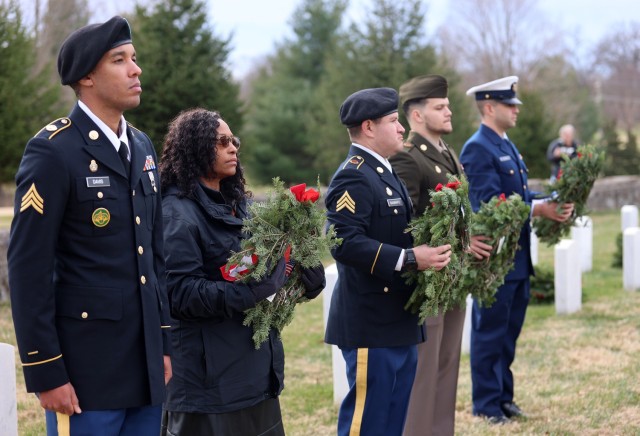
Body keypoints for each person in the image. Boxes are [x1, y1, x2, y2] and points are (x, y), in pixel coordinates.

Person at [7, 16, 171, 435]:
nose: (136, 70)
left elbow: (154, 257)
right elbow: (29, 270)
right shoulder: (53, 151)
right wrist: (46, 370)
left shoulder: (141, 145)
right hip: (84, 375)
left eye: (134, 58)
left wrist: (165, 345)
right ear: (87, 78)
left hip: (146, 370)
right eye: (120, 60)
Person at [159, 108, 326, 435]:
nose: (233, 147)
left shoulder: (241, 206)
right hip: (207, 387)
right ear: (195, 147)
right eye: (221, 142)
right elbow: (179, 294)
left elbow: (267, 271)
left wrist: (304, 276)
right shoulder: (176, 214)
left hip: (254, 374)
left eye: (233, 140)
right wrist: (249, 293)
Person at [324, 87, 453, 435]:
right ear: (369, 127)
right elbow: (343, 242)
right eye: (394, 121)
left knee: (393, 420)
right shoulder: (354, 174)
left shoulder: (383, 171)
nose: (401, 129)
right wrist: (411, 258)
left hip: (397, 319)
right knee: (369, 422)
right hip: (371, 322)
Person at [460, 76, 574, 424]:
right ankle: (486, 405)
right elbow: (490, 203)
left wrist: (551, 201)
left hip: (517, 257)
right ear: (490, 107)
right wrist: (539, 209)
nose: (516, 110)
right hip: (495, 259)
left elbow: (519, 194)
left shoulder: (505, 144)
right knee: (490, 333)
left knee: (508, 335)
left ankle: (503, 397)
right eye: (510, 105)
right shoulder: (478, 147)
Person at [390, 74, 492, 436]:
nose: (449, 111)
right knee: (424, 372)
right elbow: (405, 223)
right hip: (427, 281)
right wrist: (457, 241)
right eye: (440, 107)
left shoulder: (447, 153)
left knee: (447, 366)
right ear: (417, 115)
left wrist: (470, 234)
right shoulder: (408, 158)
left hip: (452, 278)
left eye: (447, 105)